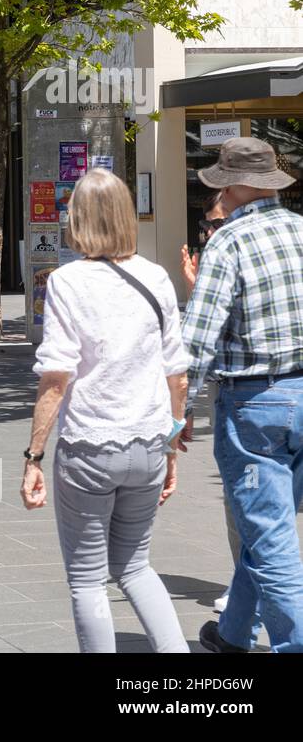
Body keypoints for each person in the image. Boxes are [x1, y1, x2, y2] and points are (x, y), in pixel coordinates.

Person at [22, 168, 190, 653]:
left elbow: (56, 379)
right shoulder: (156, 276)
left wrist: (33, 457)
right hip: (149, 445)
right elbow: (176, 375)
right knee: (136, 566)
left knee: (88, 581)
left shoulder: (68, 282)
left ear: (77, 220)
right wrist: (173, 447)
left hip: (91, 449)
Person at [182, 136, 303, 653]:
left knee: (271, 540)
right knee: (267, 531)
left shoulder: (228, 242)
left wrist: (177, 411)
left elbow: (197, 340)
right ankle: (232, 636)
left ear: (235, 185)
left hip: (256, 403)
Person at [180, 190, 238, 616]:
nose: (208, 234)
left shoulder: (234, 251)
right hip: (240, 390)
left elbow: (200, 341)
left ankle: (247, 592)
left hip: (250, 396)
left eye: (214, 225)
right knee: (252, 501)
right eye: (205, 227)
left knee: (246, 497)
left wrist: (180, 411)